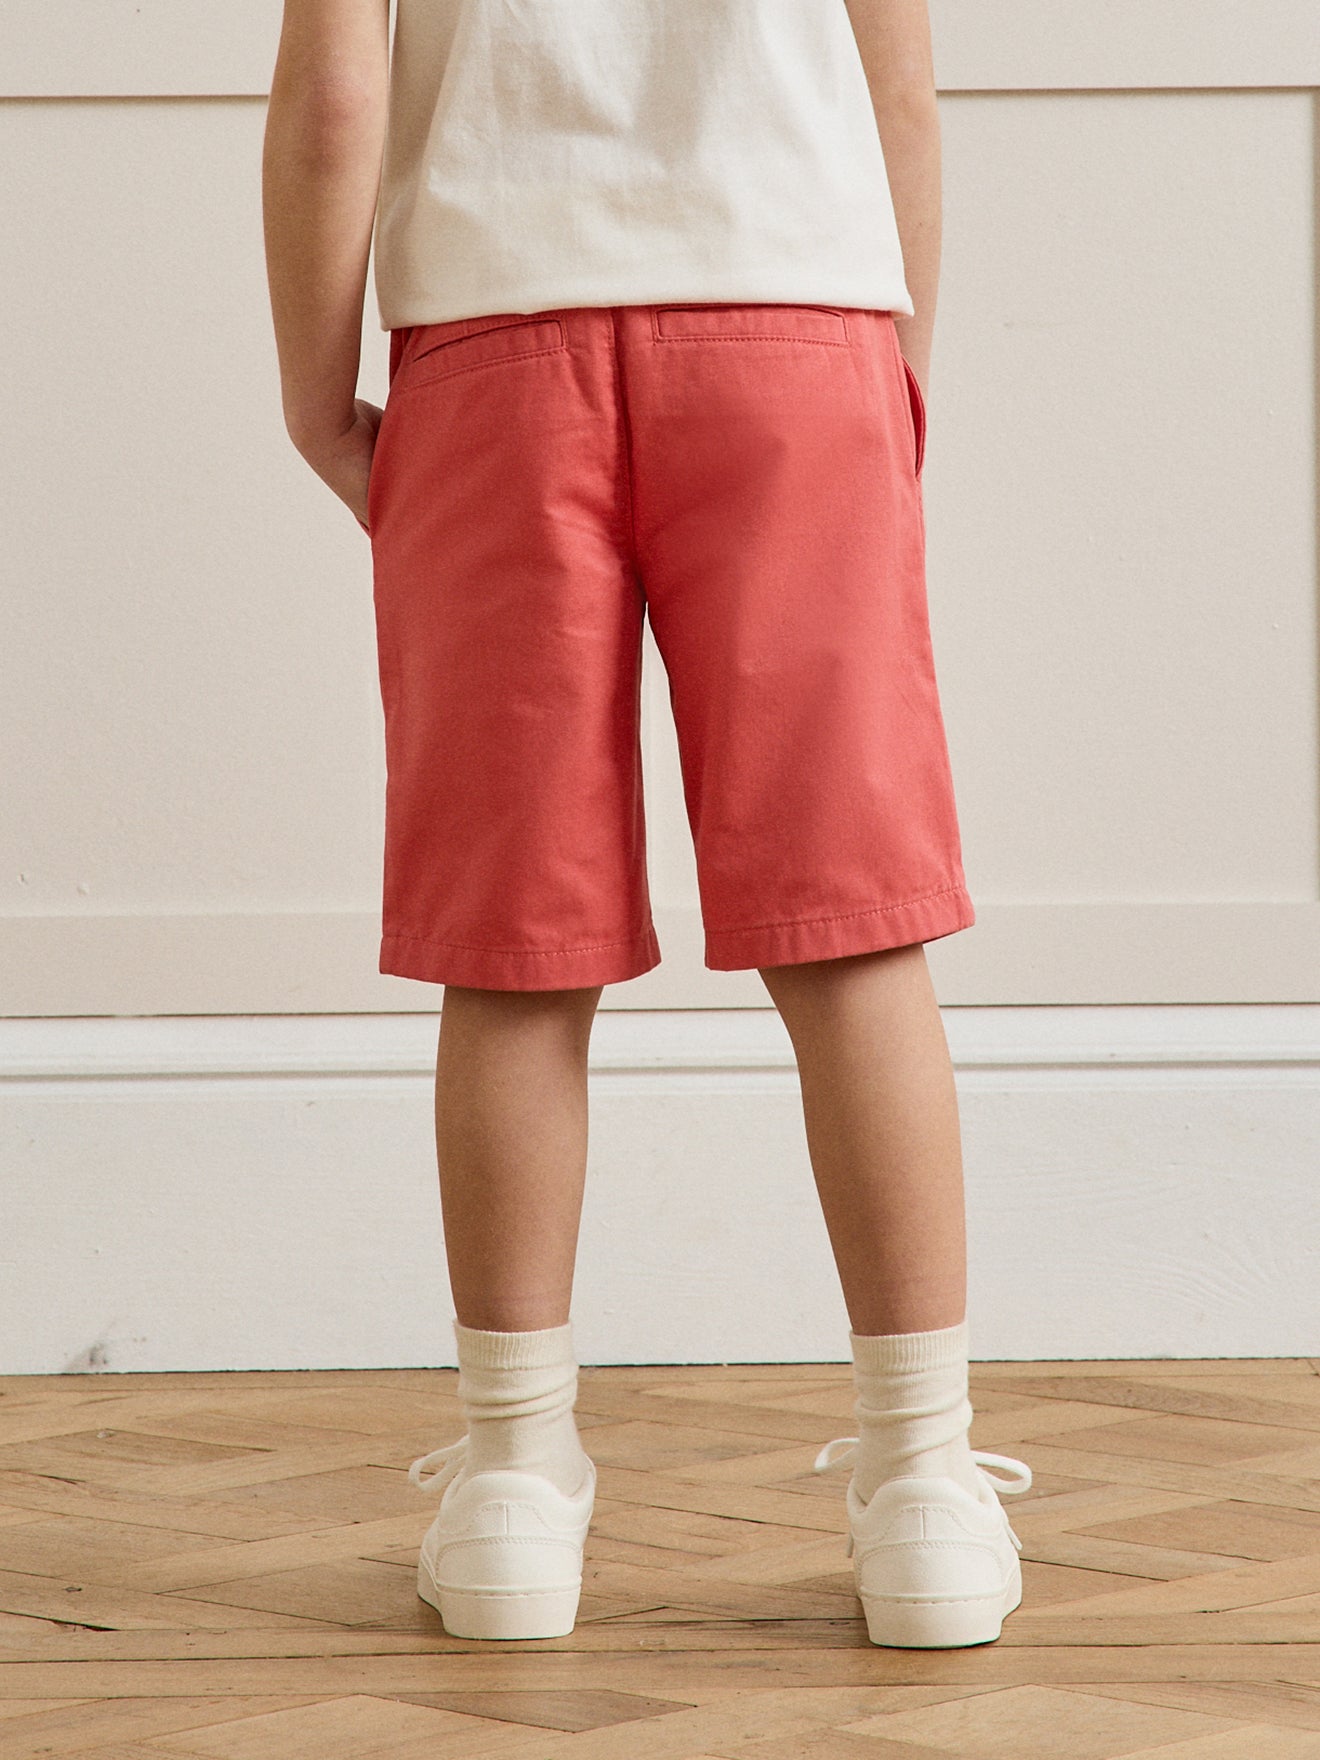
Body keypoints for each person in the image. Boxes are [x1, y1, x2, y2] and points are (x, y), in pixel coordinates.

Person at [262, 0, 1032, 1649]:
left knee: (516, 949)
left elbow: (333, 95)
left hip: (490, 351)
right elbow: (899, 82)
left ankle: (513, 1486)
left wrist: (315, 398)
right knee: (853, 927)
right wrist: (891, 364)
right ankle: (922, 1485)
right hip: (796, 325)